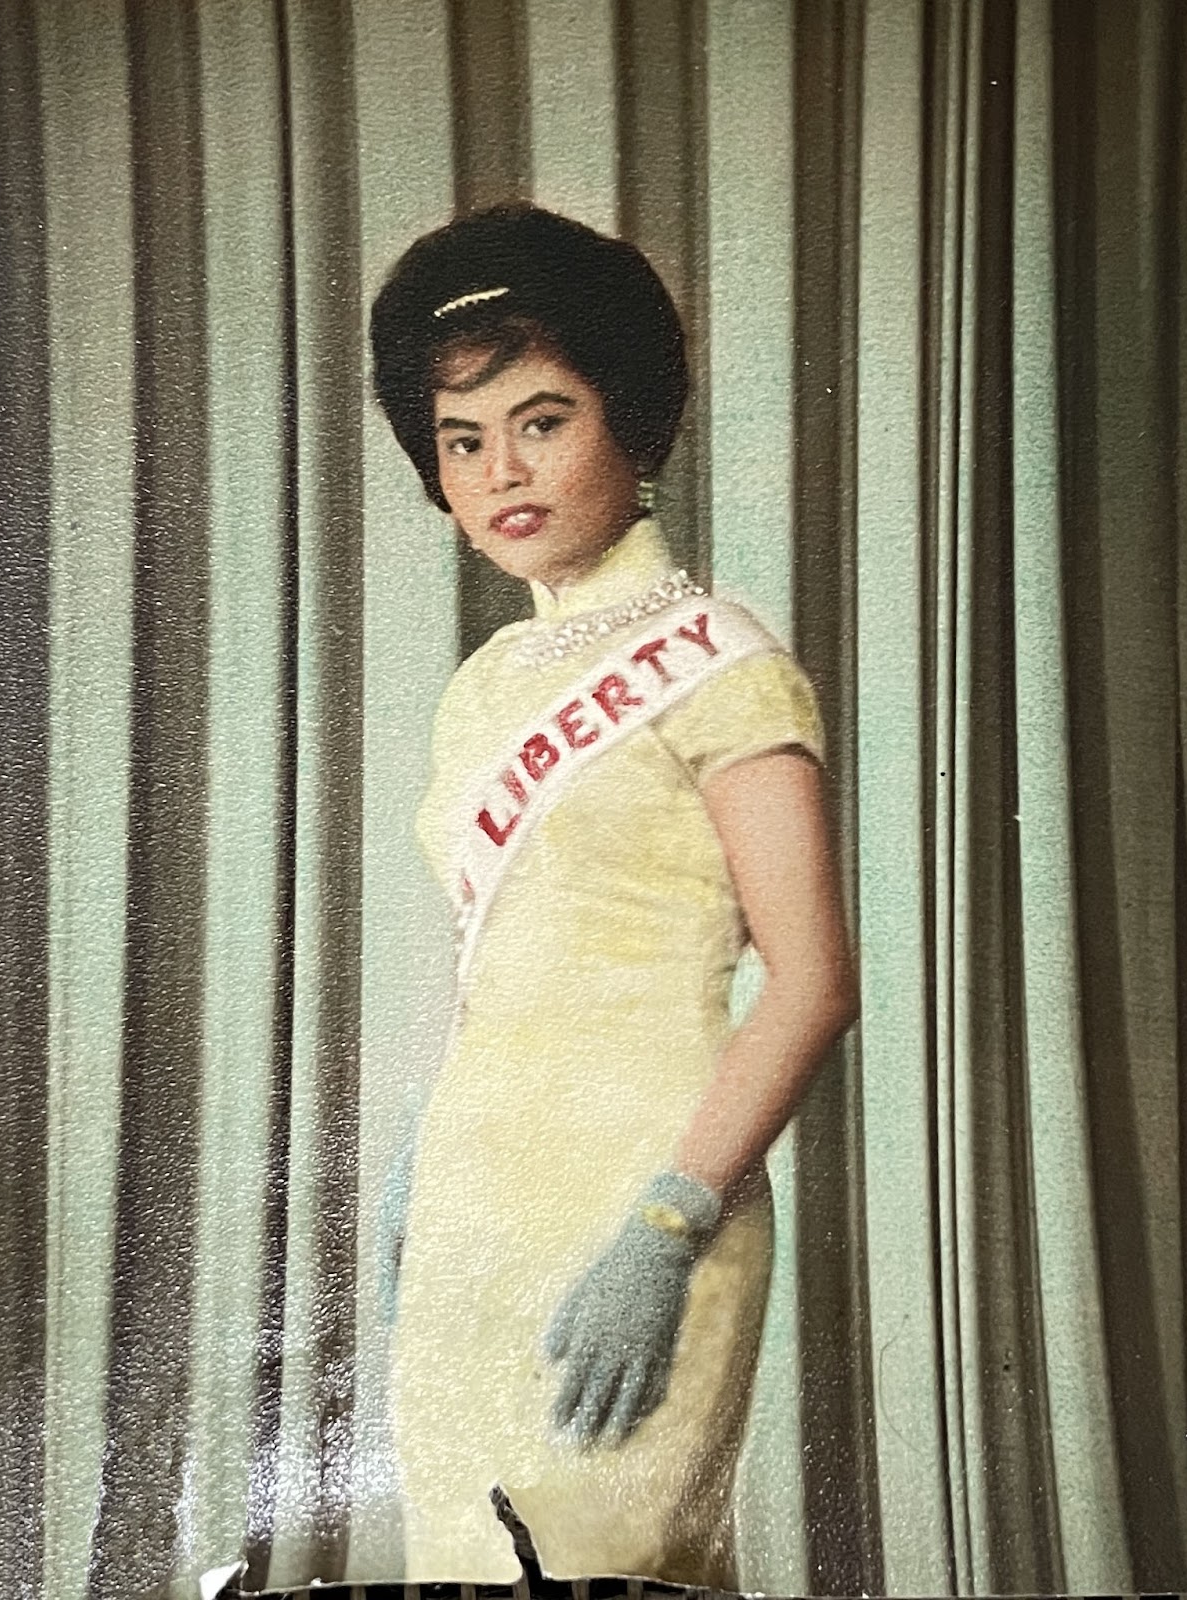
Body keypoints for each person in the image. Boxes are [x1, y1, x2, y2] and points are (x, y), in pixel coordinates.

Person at [368, 204, 858, 1588]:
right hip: (477, 1197)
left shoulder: (721, 660)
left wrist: (666, 1223)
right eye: (461, 442)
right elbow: (505, 963)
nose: (499, 471)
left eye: (541, 419)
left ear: (629, 425)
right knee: (461, 1566)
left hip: (644, 1194)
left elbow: (813, 983)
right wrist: (424, 1153)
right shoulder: (479, 691)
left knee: (596, 1564)